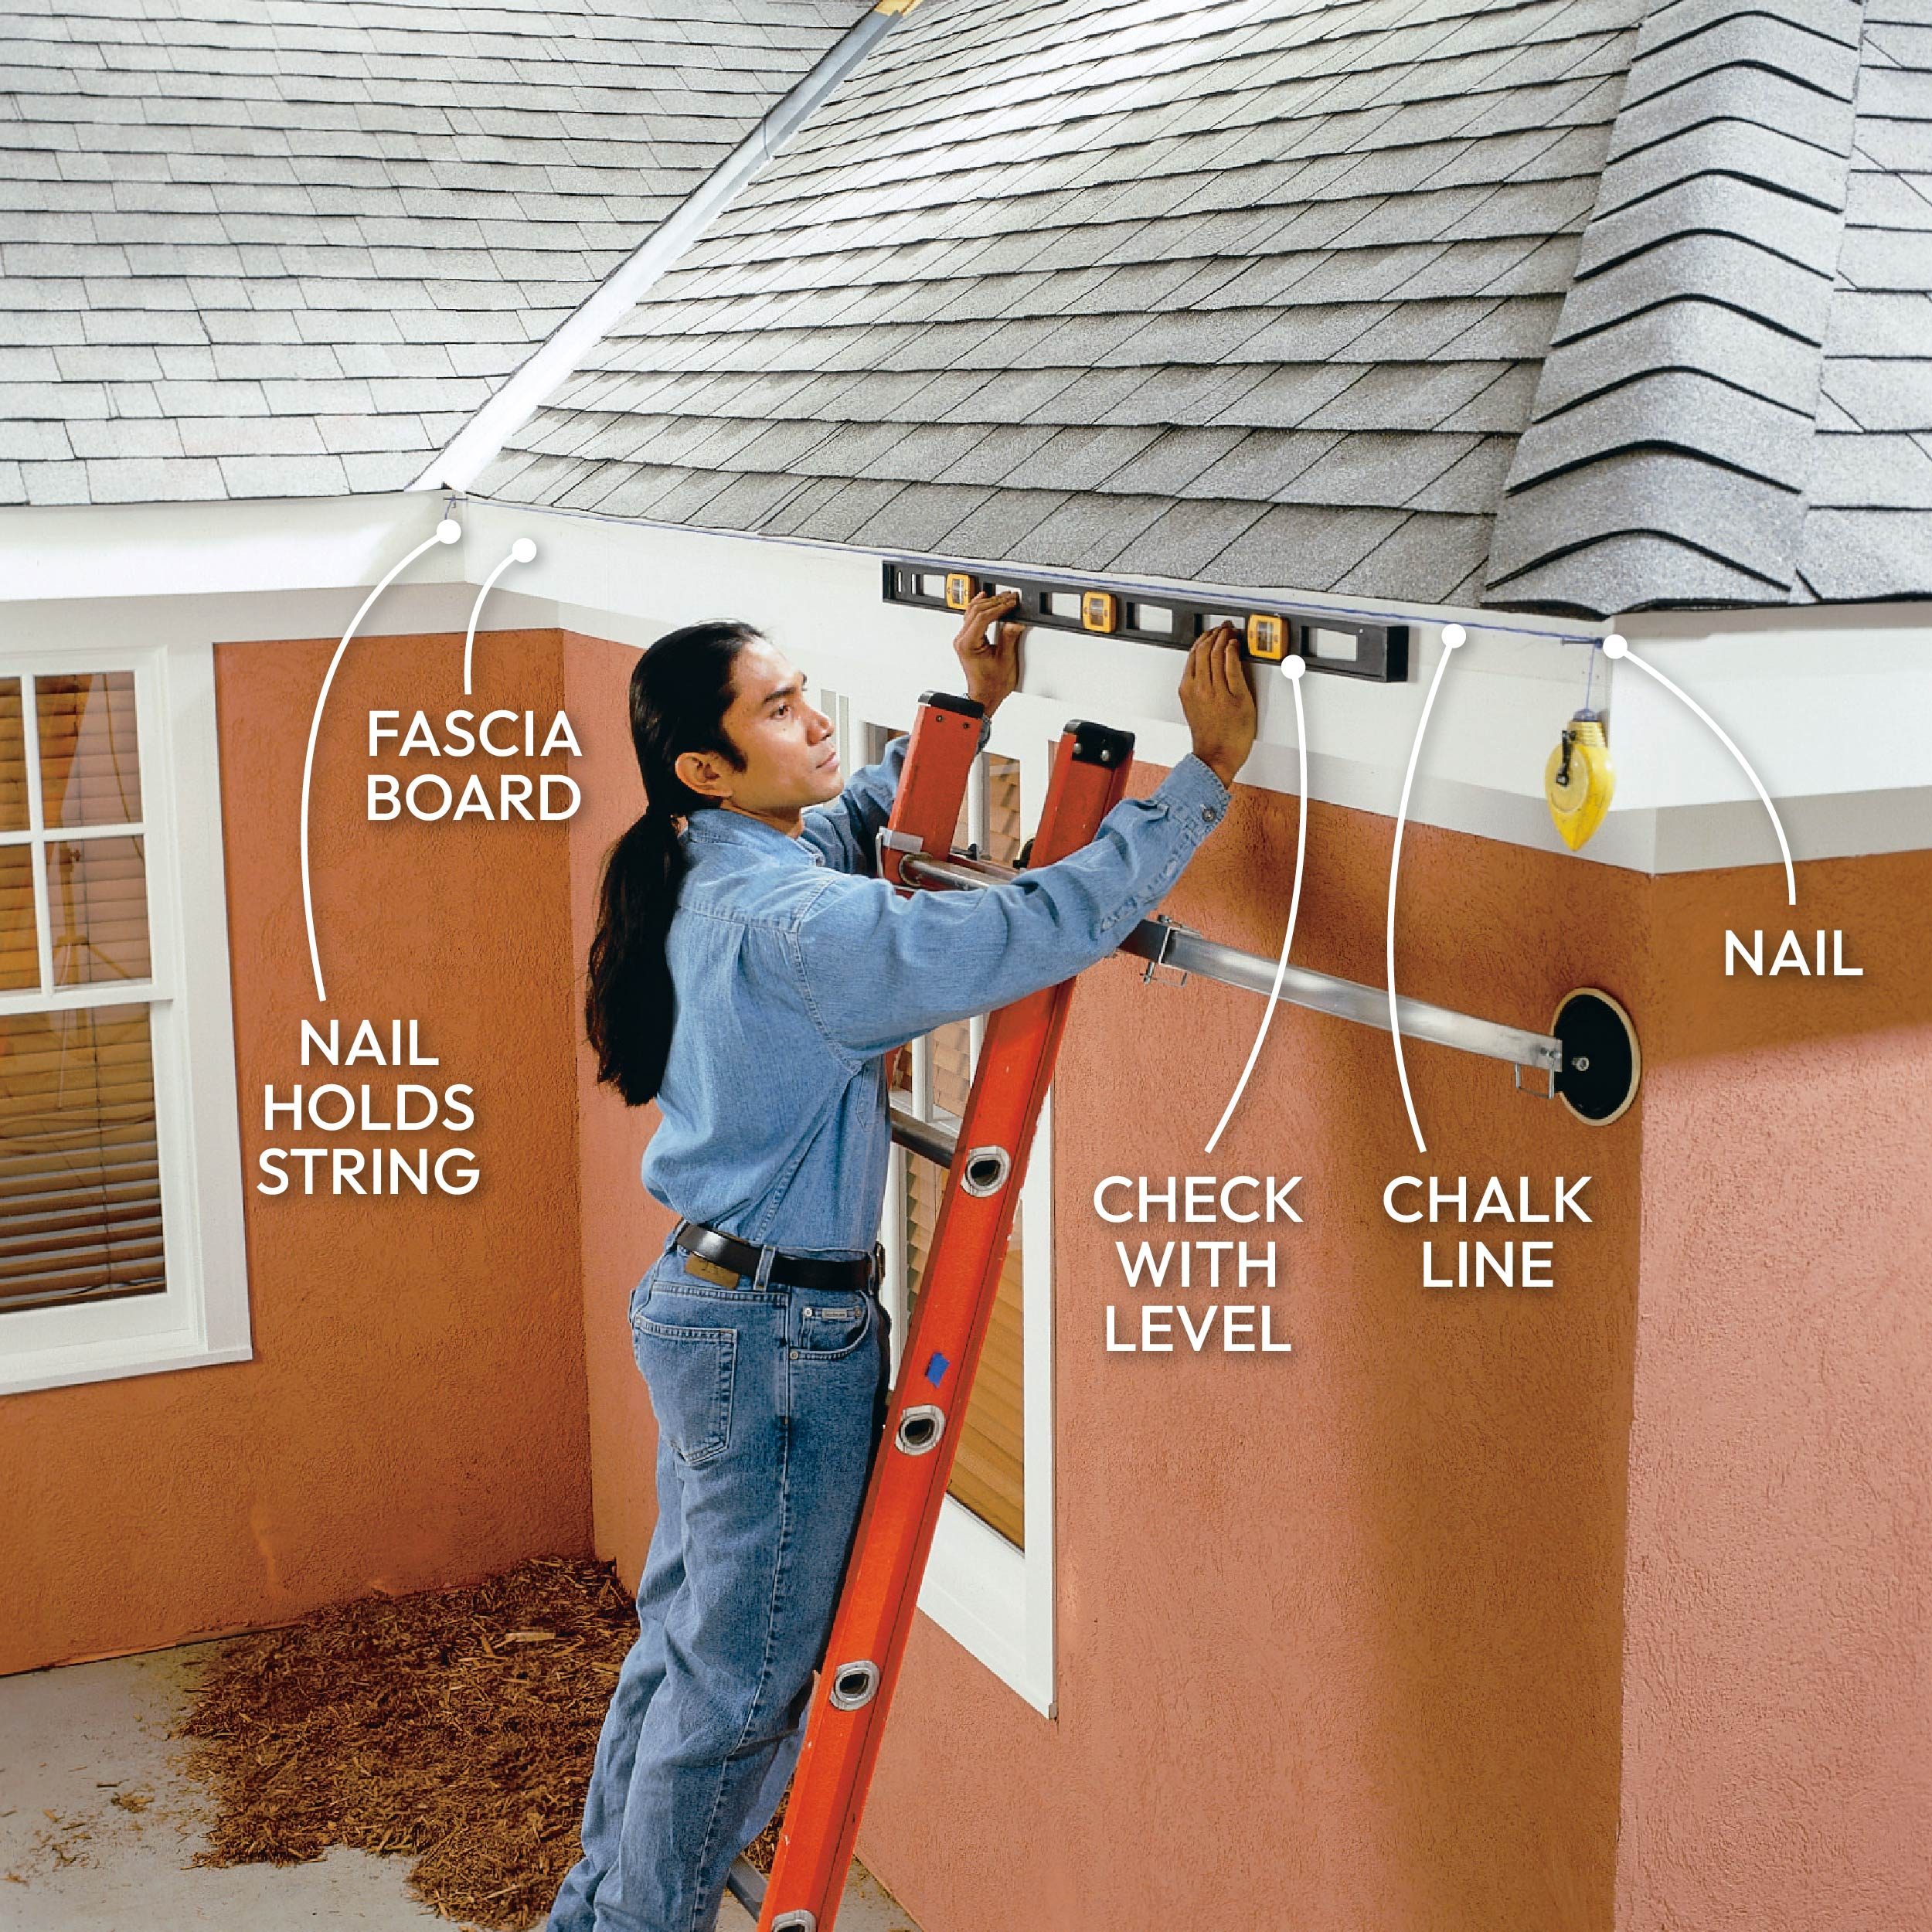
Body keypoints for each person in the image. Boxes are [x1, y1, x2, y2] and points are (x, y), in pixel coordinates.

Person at [546, 592, 1257, 1932]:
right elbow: (1011, 934)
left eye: (808, 691)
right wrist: (1198, 780)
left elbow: (846, 822)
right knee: (743, 1688)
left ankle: (597, 1918)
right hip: (767, 1346)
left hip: (709, 1308)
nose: (816, 720)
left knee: (688, 1656)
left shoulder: (716, 857)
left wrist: (963, 710)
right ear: (706, 766)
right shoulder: (796, 929)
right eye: (780, 710)